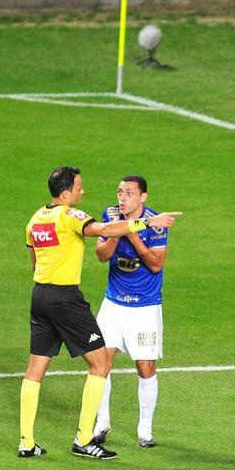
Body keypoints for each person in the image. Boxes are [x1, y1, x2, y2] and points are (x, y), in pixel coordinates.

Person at [20, 166, 179, 459]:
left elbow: (33, 261)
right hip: (66, 299)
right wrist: (143, 224)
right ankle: (85, 439)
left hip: (40, 296)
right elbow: (103, 232)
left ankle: (26, 442)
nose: (83, 192)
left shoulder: (35, 218)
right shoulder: (71, 216)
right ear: (66, 193)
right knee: (100, 365)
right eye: (79, 187)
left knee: (34, 372)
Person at [90, 175, 170, 448]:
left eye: (129, 193)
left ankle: (145, 430)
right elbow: (101, 255)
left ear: (143, 197)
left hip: (145, 307)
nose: (122, 197)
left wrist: (132, 234)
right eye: (119, 192)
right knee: (100, 363)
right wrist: (115, 232)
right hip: (113, 304)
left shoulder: (156, 223)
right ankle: (102, 423)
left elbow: (156, 264)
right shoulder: (110, 215)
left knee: (145, 367)